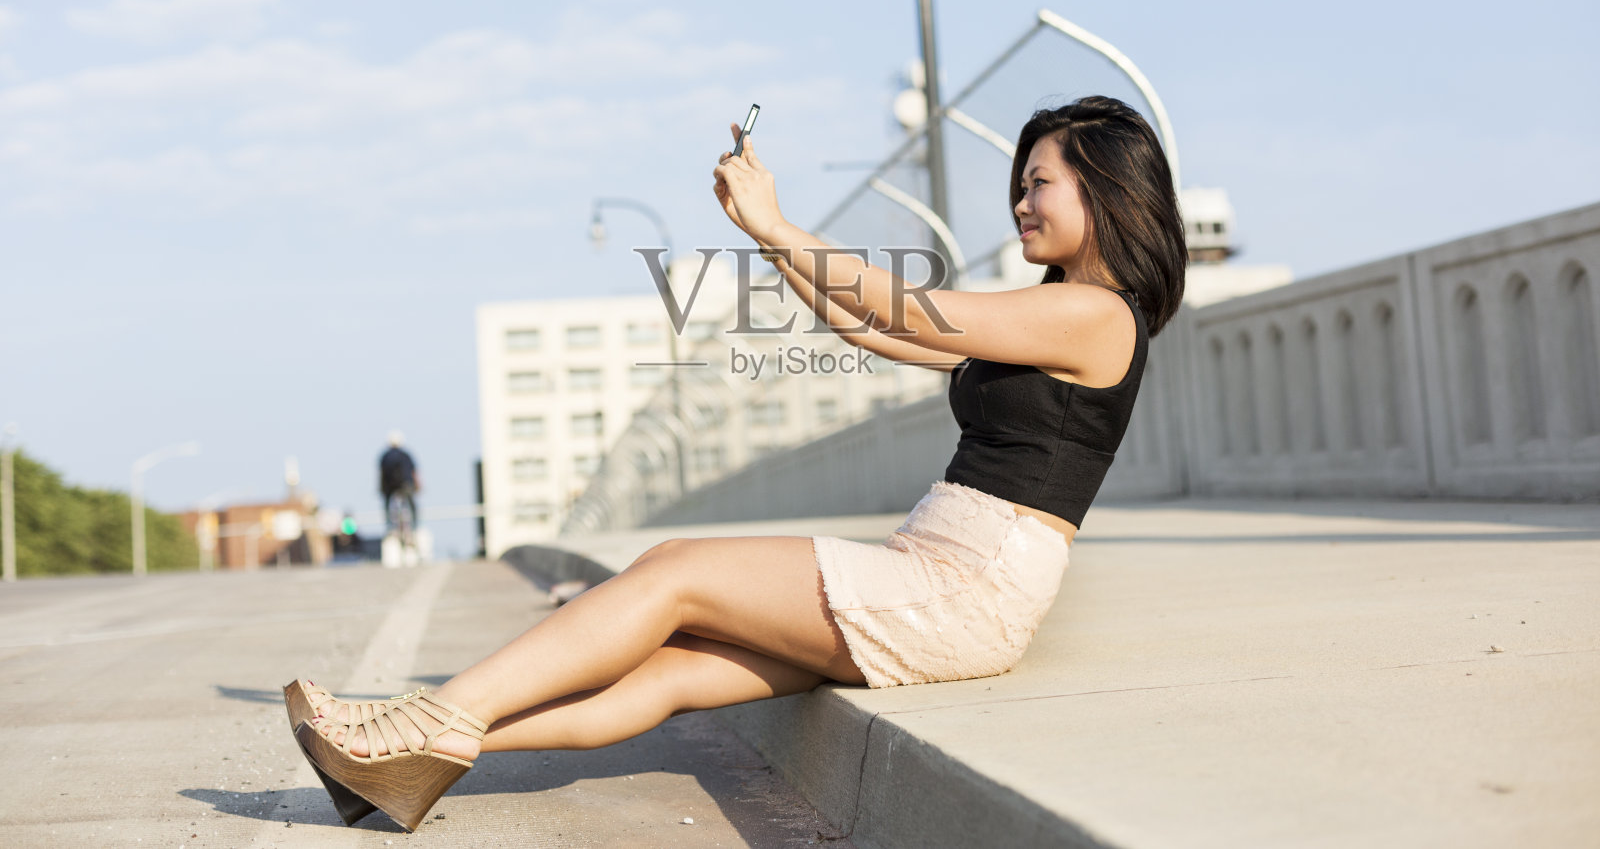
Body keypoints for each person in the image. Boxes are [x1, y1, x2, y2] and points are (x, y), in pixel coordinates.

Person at [284, 96, 1187, 832]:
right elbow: (863, 323)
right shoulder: (1052, 313)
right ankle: (404, 759)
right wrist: (763, 232)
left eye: (1038, 183)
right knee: (675, 667)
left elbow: (915, 312)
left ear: (1104, 190)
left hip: (965, 584)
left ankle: (422, 716)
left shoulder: (1100, 315)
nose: (1021, 203)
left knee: (675, 571)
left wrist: (781, 222)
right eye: (1018, 185)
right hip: (943, 572)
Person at [378, 432, 420, 542]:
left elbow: (381, 474)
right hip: (406, 485)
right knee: (412, 506)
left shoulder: (385, 456)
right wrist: (417, 485)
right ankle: (415, 526)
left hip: (390, 487)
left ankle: (390, 527)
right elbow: (413, 471)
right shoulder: (405, 455)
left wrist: (382, 489)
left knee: (387, 506)